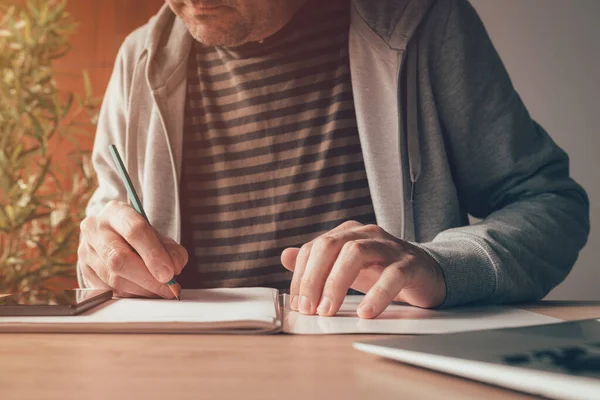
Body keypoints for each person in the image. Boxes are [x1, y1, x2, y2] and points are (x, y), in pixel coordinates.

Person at [77, 0, 590, 319]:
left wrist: (439, 265)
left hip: (382, 372)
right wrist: (101, 257)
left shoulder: (424, 22)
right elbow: (106, 234)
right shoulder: (138, 61)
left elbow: (551, 206)